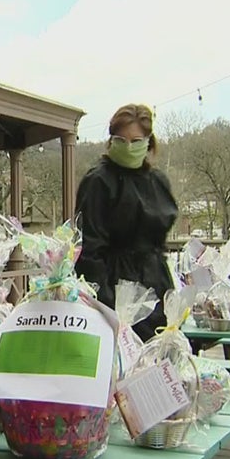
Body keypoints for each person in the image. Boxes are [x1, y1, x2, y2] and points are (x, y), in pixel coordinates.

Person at [75, 104, 179, 342]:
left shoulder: (157, 181)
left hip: (156, 280)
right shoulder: (98, 181)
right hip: (116, 285)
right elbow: (88, 249)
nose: (128, 146)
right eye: (121, 140)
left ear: (148, 142)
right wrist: (105, 305)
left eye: (135, 140)